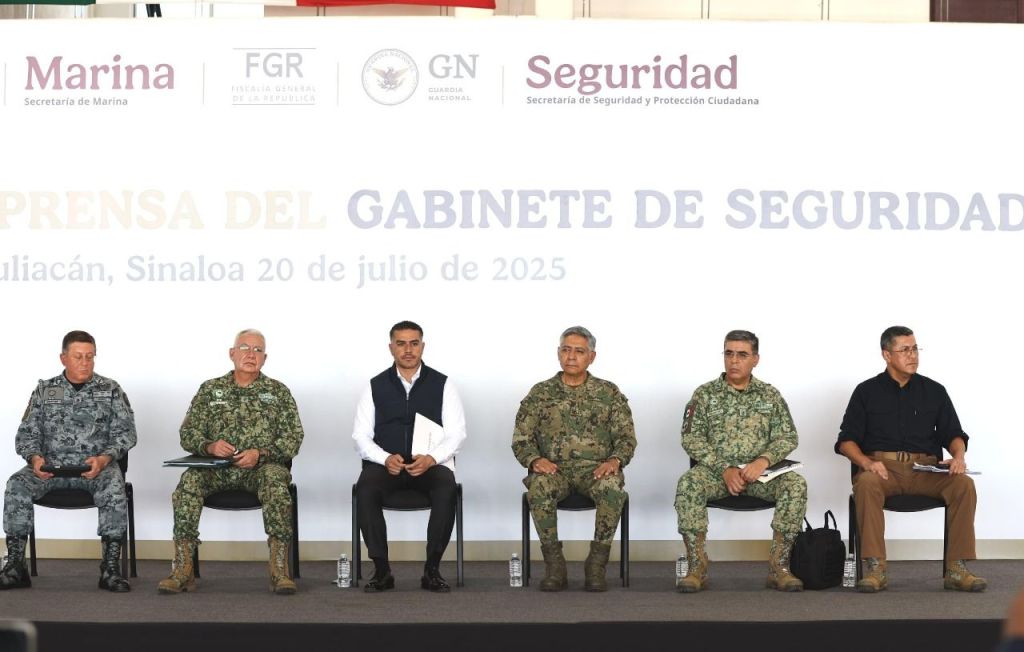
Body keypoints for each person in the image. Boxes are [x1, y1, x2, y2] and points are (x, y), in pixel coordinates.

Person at [836, 325, 985, 593]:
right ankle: (876, 568)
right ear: (886, 355)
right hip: (883, 470)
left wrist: (958, 456)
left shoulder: (935, 391)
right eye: (904, 350)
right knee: (866, 483)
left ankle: (956, 569)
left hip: (925, 470)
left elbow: (954, 433)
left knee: (963, 484)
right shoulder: (866, 392)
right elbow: (846, 441)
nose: (913, 355)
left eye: (915, 349)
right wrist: (866, 463)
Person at [158, 329, 304, 595]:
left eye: (258, 350)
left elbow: (293, 438)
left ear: (265, 358)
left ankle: (279, 570)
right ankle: (182, 569)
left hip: (260, 469)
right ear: (232, 353)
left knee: (275, 482)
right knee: (189, 481)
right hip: (217, 469)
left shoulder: (278, 392)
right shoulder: (210, 389)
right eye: (245, 348)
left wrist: (260, 453)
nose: (251, 355)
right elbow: (187, 433)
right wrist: (209, 446)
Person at [0, 330, 137, 592]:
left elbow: (126, 434)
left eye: (90, 356)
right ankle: (16, 566)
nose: (85, 362)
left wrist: (104, 459)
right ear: (63, 358)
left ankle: (110, 568)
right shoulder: (45, 390)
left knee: (114, 485)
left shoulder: (110, 389)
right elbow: (26, 434)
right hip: (49, 469)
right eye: (78, 357)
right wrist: (35, 458)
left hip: (96, 469)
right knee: (16, 484)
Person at [674, 330, 807, 593]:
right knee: (688, 484)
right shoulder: (704, 394)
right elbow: (691, 439)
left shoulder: (769, 395)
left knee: (795, 485)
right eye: (729, 353)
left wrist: (763, 460)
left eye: (742, 355)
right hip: (716, 474)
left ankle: (779, 567)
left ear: (755, 359)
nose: (734, 360)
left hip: (759, 475)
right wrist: (724, 468)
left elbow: (788, 436)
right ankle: (696, 567)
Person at [512, 326, 636, 592]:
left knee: (612, 489)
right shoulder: (541, 393)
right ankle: (555, 566)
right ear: (558, 353)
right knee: (539, 487)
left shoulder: (608, 393)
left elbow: (626, 438)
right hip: (554, 471)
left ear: (592, 357)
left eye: (579, 351)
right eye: (566, 350)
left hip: (596, 471)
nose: (571, 356)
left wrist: (615, 461)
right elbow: (521, 440)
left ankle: (596, 565)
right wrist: (534, 460)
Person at [352, 321, 467, 593]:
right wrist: (384, 458)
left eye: (414, 343)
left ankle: (432, 570)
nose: (408, 350)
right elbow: (360, 436)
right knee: (365, 489)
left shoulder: (443, 384)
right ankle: (382, 571)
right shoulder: (375, 386)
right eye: (401, 344)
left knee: (446, 488)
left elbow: (457, 434)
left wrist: (431, 458)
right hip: (387, 466)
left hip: (428, 465)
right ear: (391, 347)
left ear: (422, 347)